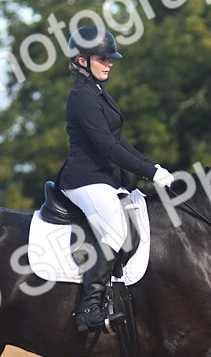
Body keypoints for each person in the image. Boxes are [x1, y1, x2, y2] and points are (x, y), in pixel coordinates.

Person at [60, 25, 174, 333]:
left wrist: (154, 167)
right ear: (82, 60)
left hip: (107, 177)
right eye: (102, 58)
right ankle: (88, 309)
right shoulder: (81, 97)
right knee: (115, 232)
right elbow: (107, 147)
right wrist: (149, 172)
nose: (109, 63)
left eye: (111, 59)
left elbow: (118, 141)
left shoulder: (97, 92)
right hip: (86, 179)